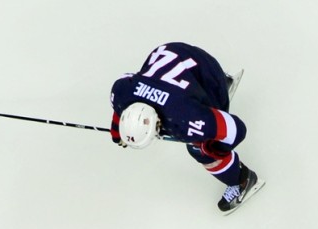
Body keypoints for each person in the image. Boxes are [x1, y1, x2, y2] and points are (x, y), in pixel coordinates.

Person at [110, 42, 260, 213]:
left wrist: (212, 147)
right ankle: (202, 91)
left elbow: (236, 130)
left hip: (209, 71)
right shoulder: (121, 93)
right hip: (176, 53)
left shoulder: (186, 118)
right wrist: (117, 131)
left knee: (199, 150)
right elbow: (122, 104)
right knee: (190, 108)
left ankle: (242, 180)